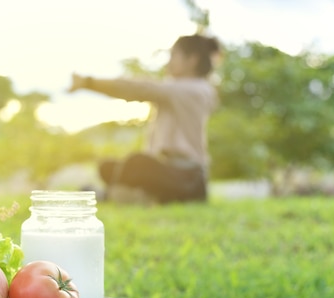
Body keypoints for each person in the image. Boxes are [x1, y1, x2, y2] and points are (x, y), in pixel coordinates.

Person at [69, 33, 221, 204]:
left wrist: (89, 83)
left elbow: (138, 89)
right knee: (108, 167)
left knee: (138, 163)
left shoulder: (193, 90)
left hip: (187, 178)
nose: (168, 62)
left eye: (173, 56)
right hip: (171, 172)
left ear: (192, 60)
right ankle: (139, 195)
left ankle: (110, 196)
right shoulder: (179, 90)